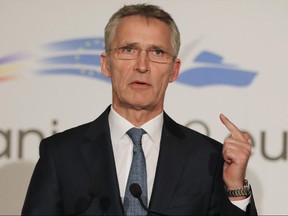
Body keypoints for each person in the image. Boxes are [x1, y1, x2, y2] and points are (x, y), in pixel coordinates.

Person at [22, 3, 257, 216]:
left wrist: (235, 188)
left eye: (157, 53)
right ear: (106, 64)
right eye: (128, 50)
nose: (142, 66)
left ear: (174, 71)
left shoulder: (208, 158)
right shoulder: (61, 155)